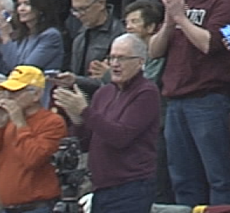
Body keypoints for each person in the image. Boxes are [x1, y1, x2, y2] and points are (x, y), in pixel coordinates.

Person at [150, 0, 230, 206]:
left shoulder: (227, 4)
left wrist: (180, 17)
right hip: (175, 101)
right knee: (182, 177)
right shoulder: (185, 3)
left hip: (207, 100)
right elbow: (154, 51)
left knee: (217, 176)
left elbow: (210, 43)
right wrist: (170, 22)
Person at [54, 34, 161, 213]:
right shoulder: (103, 93)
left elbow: (121, 137)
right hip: (100, 186)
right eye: (112, 57)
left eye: (122, 58)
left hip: (131, 186)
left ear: (140, 62)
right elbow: (86, 141)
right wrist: (76, 118)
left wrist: (84, 110)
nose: (115, 63)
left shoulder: (147, 92)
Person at [0, 65, 66, 213]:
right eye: (7, 92)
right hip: (7, 208)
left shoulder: (52, 122)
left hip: (38, 207)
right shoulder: (8, 122)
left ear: (36, 95)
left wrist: (20, 123)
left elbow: (33, 159)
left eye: (16, 92)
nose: (10, 97)